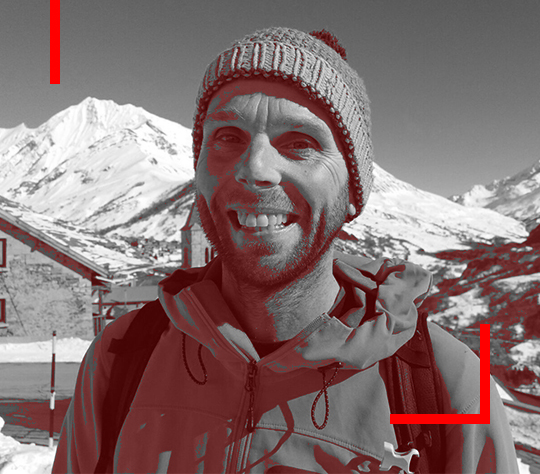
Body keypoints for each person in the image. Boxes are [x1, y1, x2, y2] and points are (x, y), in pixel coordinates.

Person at [53, 27, 518, 473]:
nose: (255, 168)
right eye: (227, 137)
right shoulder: (122, 356)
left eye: (300, 143)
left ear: (353, 191)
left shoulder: (448, 383)